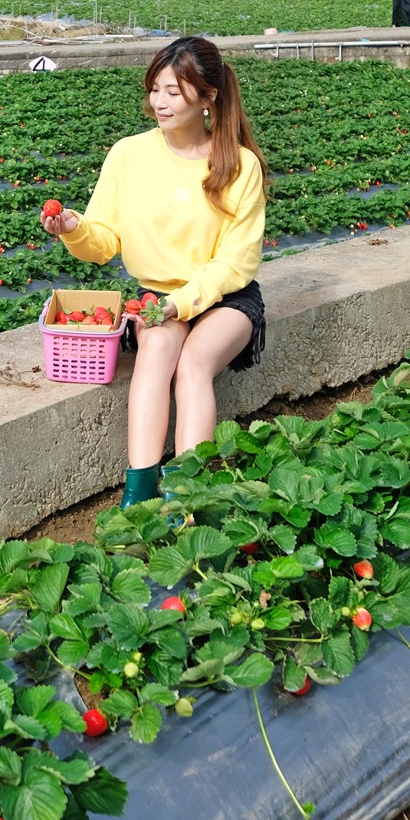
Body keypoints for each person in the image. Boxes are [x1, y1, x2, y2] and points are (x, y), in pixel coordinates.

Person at [41, 35, 268, 509]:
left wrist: (178, 304)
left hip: (225, 297)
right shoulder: (129, 155)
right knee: (156, 350)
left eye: (173, 91)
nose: (159, 102)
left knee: (193, 364)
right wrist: (73, 228)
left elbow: (235, 262)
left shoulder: (238, 165)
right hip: (156, 295)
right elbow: (103, 242)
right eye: (155, 89)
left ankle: (189, 497)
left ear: (209, 97)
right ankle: (139, 494)